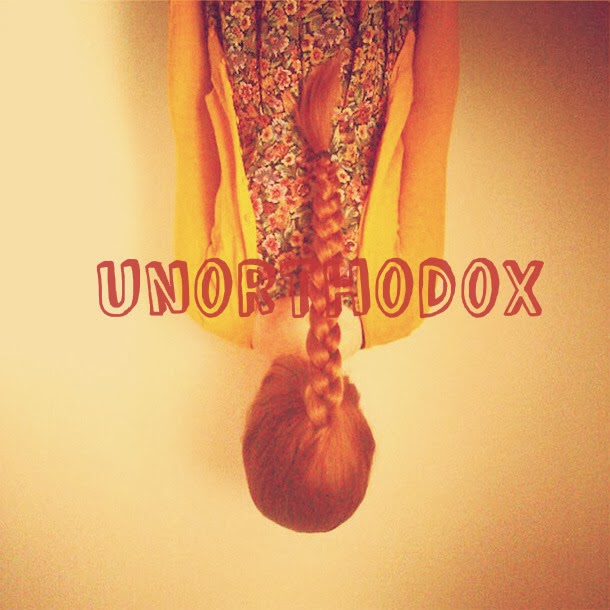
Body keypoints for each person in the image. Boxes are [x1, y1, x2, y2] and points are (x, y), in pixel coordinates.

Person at [168, 0, 459, 532]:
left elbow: (432, 121)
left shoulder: (408, 301)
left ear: (359, 418)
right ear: (255, 419)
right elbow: (188, 120)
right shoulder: (207, 301)